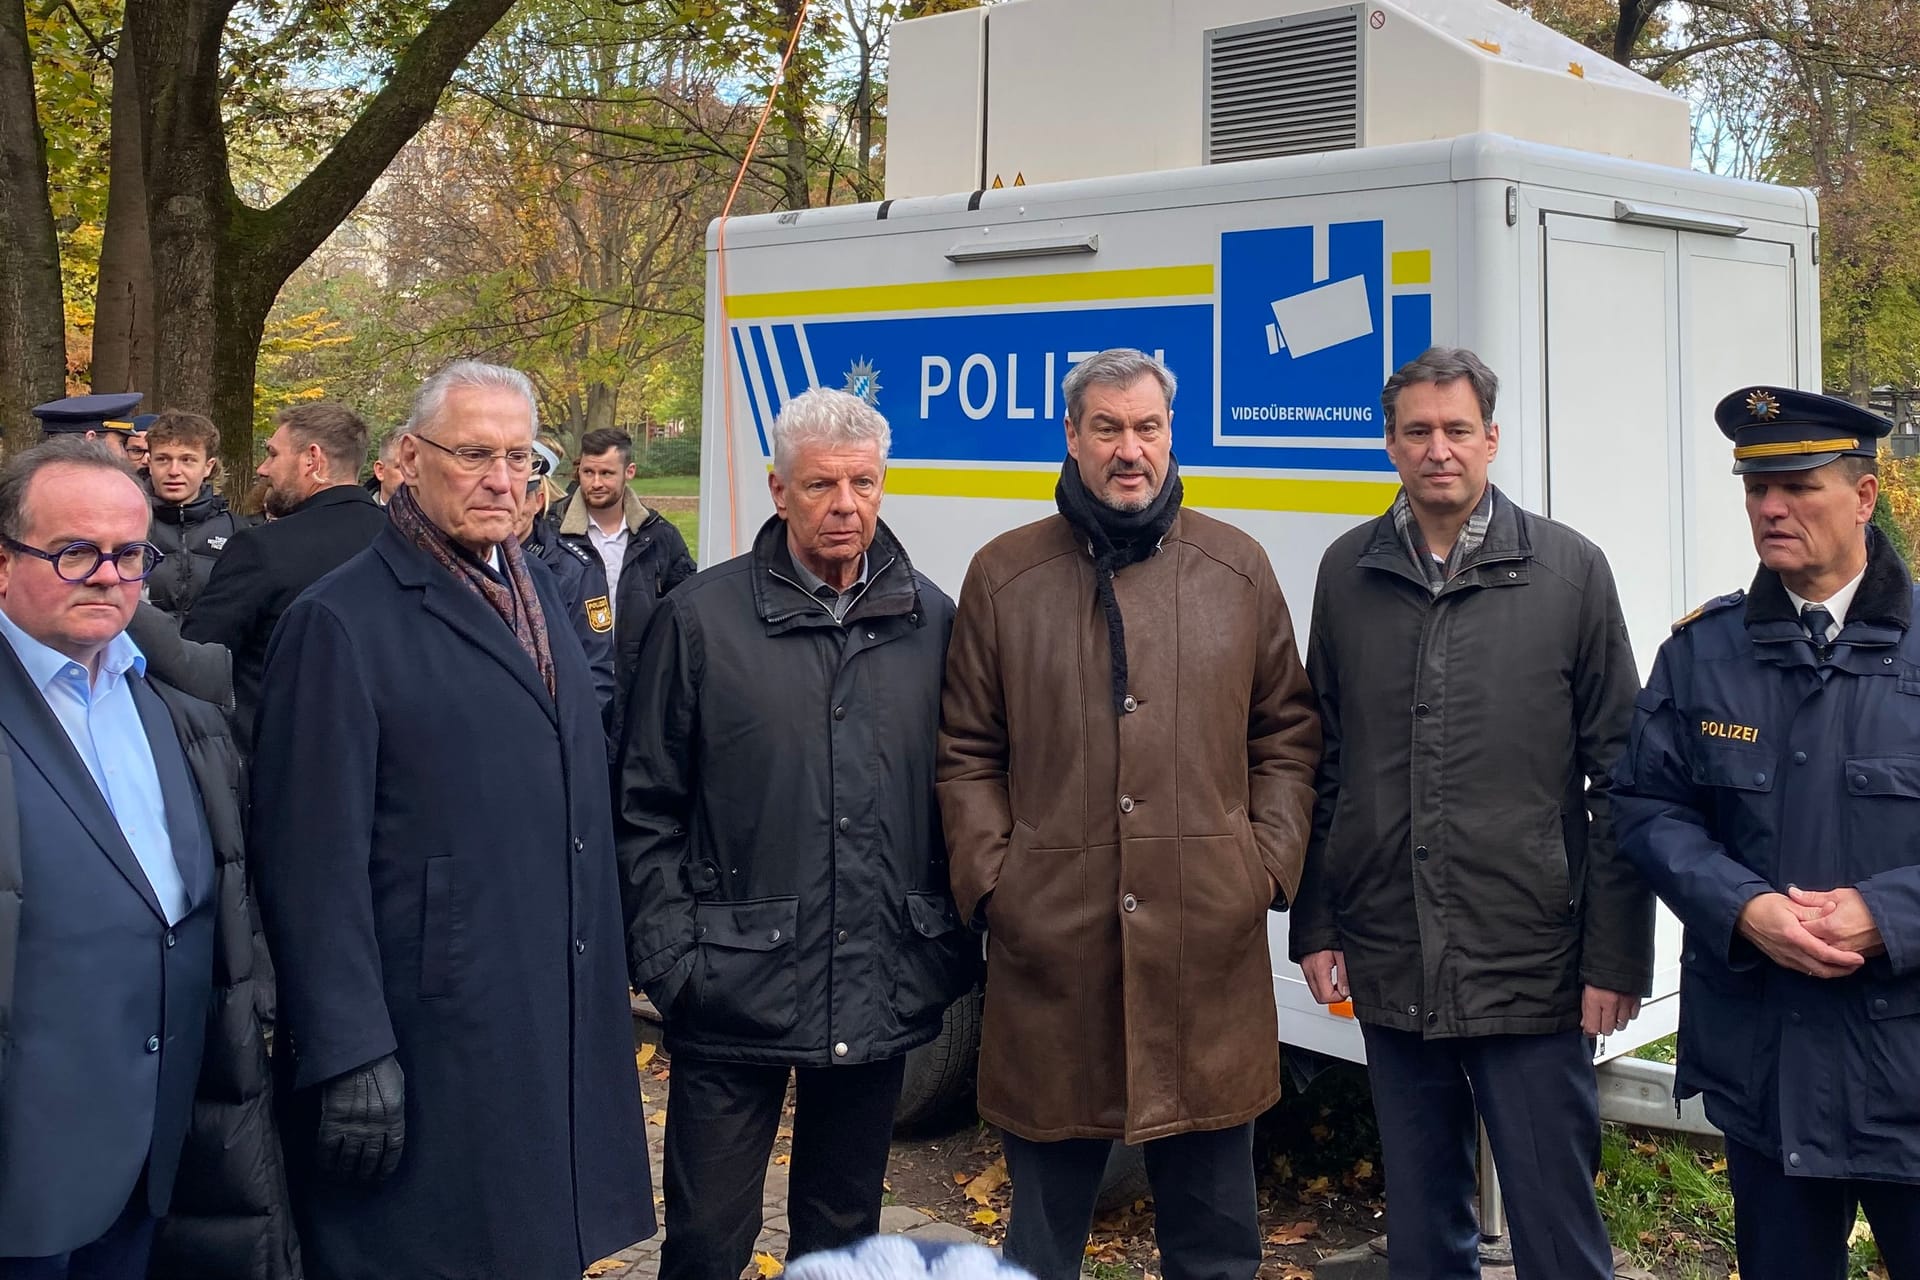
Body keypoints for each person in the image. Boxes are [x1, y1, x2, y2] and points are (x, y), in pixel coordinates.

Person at [249, 359, 654, 1280]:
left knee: (531, 1241)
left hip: (544, 1003)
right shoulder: (341, 620)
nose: (502, 481)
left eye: (521, 457)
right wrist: (348, 1048)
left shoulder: (537, 590)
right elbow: (308, 859)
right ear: (405, 458)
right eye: (473, 454)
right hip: (427, 1025)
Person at [937, 349, 1321, 1280]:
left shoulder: (1236, 568)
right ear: (1071, 437)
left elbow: (1288, 734)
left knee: (1218, 1247)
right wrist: (998, 887)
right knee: (1041, 1248)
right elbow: (966, 754)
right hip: (1051, 963)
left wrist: (1260, 866)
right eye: (1106, 428)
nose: (1128, 449)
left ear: (1170, 435)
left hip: (1206, 962)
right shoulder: (1004, 576)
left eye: (1146, 427)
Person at [1289, 347, 1647, 1280]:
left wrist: (1615, 958)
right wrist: (1317, 921)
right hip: (1391, 948)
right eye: (1417, 431)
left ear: (1491, 439)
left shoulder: (1569, 572)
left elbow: (1622, 780)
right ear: (1391, 445)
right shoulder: (1348, 573)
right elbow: (1323, 760)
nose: (1437, 448)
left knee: (1555, 1221)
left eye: (1456, 430)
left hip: (1528, 956)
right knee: (1421, 1222)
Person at [618, 387, 973, 1280]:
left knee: (843, 1239)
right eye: (821, 485)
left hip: (881, 978)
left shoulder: (931, 621)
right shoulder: (701, 620)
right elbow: (644, 804)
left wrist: (940, 946)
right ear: (779, 489)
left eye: (863, 483)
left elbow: (962, 794)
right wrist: (673, 958)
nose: (845, 506)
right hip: (731, 983)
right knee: (706, 1242)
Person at [1612, 386, 1920, 1280]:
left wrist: (1889, 914)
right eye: (1756, 489)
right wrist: (1741, 906)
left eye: (1798, 485)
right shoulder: (1702, 653)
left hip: (1906, 1066)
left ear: (1864, 497)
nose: (1771, 508)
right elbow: (1646, 807)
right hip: (1768, 1073)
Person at [0, 439, 295, 1280]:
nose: (107, 575)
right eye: (73, 552)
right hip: (21, 1174)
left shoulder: (180, 715)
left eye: (129, 554)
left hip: (153, 1163)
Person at [182, 402, 384, 741]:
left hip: (275, 760)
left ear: (312, 459)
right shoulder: (408, 545)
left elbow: (198, 660)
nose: (263, 469)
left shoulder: (261, 549)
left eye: (273, 455)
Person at [556, 426, 694, 693]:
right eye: (588, 472)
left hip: (641, 688)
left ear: (629, 472)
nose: (595, 483)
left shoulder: (659, 537)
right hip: (572, 687)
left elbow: (686, 614)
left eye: (606, 473)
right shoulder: (552, 533)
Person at [518, 439, 616, 722]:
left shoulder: (573, 569)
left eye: (520, 497)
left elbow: (596, 672)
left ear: (537, 502)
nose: (509, 507)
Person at [142, 410, 246, 617]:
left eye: (187, 460)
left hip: (209, 647)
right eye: (163, 459)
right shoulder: (126, 524)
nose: (174, 471)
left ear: (208, 467)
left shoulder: (237, 531)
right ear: (150, 463)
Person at [30, 393, 141, 458]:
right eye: (121, 444)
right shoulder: (94, 492)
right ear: (91, 439)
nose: (124, 455)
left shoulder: (26, 482)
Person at [368, 431, 403, 505]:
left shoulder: (432, 514)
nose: (412, 475)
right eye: (402, 467)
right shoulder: (357, 514)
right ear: (380, 471)